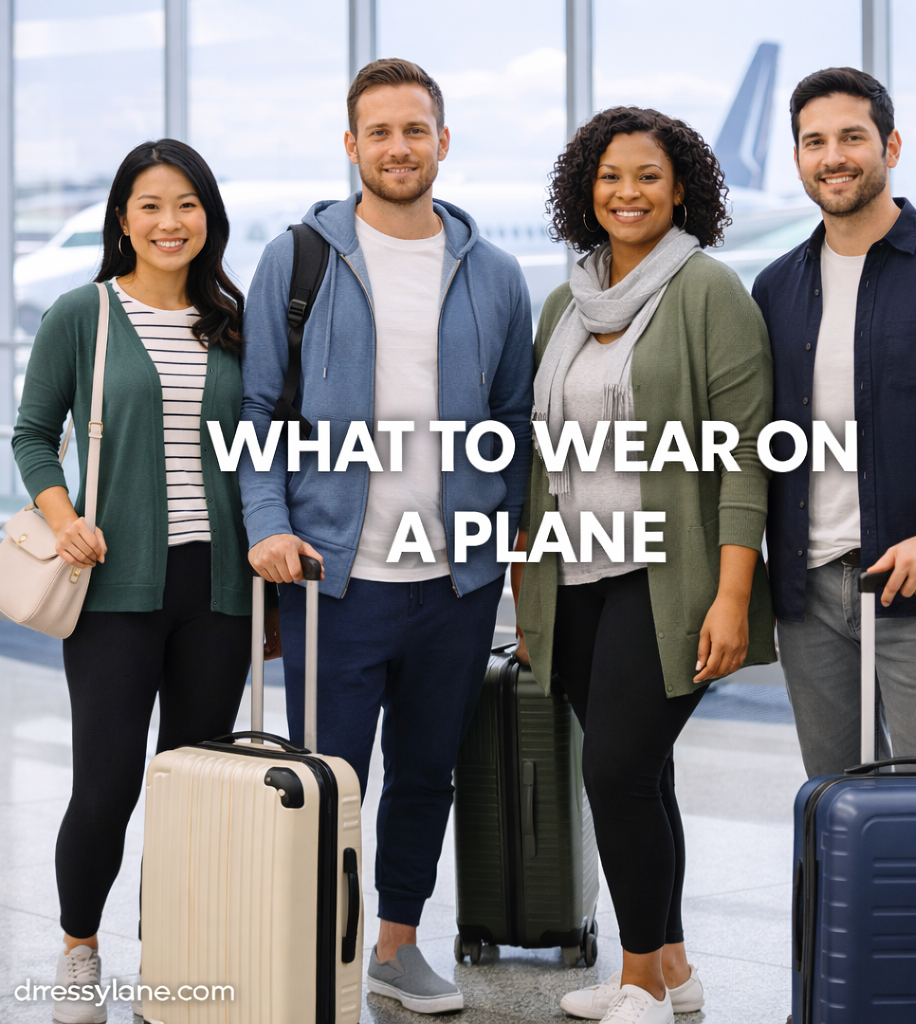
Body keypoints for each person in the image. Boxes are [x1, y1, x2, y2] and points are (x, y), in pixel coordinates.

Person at [239, 58, 533, 1014]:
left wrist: (509, 560)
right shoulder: (299, 257)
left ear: (443, 141)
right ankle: (312, 947)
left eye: (417, 130)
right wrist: (269, 525)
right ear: (353, 145)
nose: (399, 148)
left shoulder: (492, 274)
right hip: (336, 578)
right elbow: (255, 410)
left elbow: (515, 424)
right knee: (328, 780)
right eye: (380, 132)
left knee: (426, 774)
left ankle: (396, 948)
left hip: (455, 579)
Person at [513, 107, 775, 1024]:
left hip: (672, 576)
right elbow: (540, 457)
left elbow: (748, 452)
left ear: (683, 190)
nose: (627, 194)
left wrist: (734, 594)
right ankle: (673, 969)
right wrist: (524, 569)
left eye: (649, 177)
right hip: (574, 574)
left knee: (617, 769)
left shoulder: (708, 291)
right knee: (642, 773)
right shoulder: (565, 303)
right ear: (586, 188)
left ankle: (633, 981)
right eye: (611, 176)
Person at [12, 140, 254, 1024]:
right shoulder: (85, 315)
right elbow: (34, 432)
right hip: (114, 586)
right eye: (151, 205)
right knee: (108, 783)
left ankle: (177, 951)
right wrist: (62, 514)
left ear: (208, 218)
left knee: (193, 791)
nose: (169, 222)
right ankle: (80, 949)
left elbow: (261, 448)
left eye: (187, 204)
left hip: (219, 589)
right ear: (124, 217)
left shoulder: (234, 318)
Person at [753, 67, 916, 778]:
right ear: (798, 160)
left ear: (891, 145)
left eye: (852, 136)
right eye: (815, 141)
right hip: (808, 597)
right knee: (837, 803)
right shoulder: (775, 287)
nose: (833, 156)